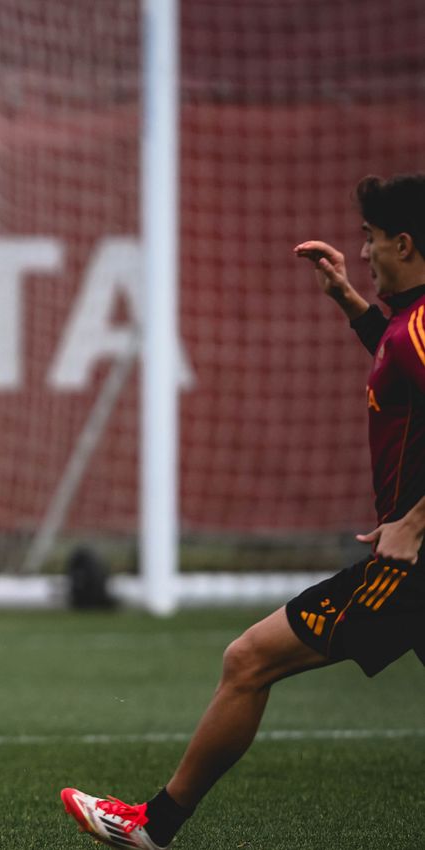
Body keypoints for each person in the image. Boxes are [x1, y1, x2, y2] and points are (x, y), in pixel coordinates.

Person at [60, 173, 425, 849]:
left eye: (371, 241)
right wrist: (349, 301)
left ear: (405, 243)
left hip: (410, 566)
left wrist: (414, 521)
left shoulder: (419, 328)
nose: (365, 253)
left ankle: (154, 825)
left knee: (249, 659)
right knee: (249, 661)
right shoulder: (403, 328)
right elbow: (398, 361)